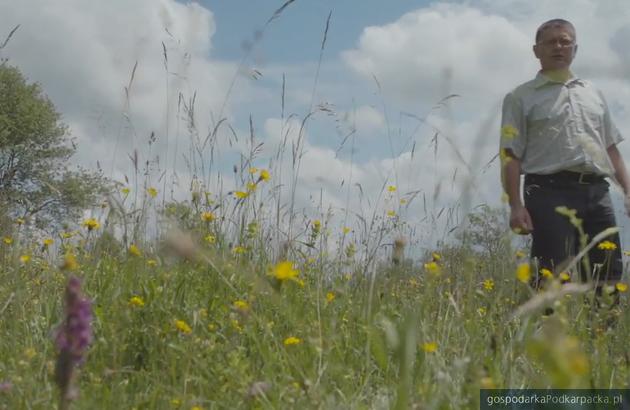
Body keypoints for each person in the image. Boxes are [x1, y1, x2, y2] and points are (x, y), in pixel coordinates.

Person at [500, 18, 630, 290]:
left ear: (575, 49)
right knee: (552, 274)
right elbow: (510, 155)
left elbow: (610, 148)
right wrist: (515, 205)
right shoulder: (520, 97)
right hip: (548, 192)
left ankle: (601, 331)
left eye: (565, 41)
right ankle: (545, 331)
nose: (558, 47)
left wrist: (628, 192)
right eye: (550, 42)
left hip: (598, 192)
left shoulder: (594, 93)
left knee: (608, 274)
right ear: (536, 50)